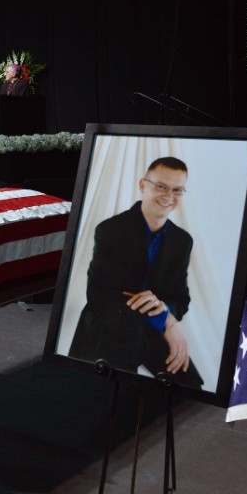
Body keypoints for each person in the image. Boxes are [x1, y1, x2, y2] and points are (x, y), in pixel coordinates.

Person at [68, 157, 203, 388]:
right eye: (161, 186)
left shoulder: (182, 241)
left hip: (150, 329)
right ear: (143, 185)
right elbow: (98, 294)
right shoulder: (110, 230)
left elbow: (181, 298)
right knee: (111, 393)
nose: (169, 195)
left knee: (189, 384)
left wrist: (168, 318)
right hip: (109, 327)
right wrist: (164, 320)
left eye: (177, 190)